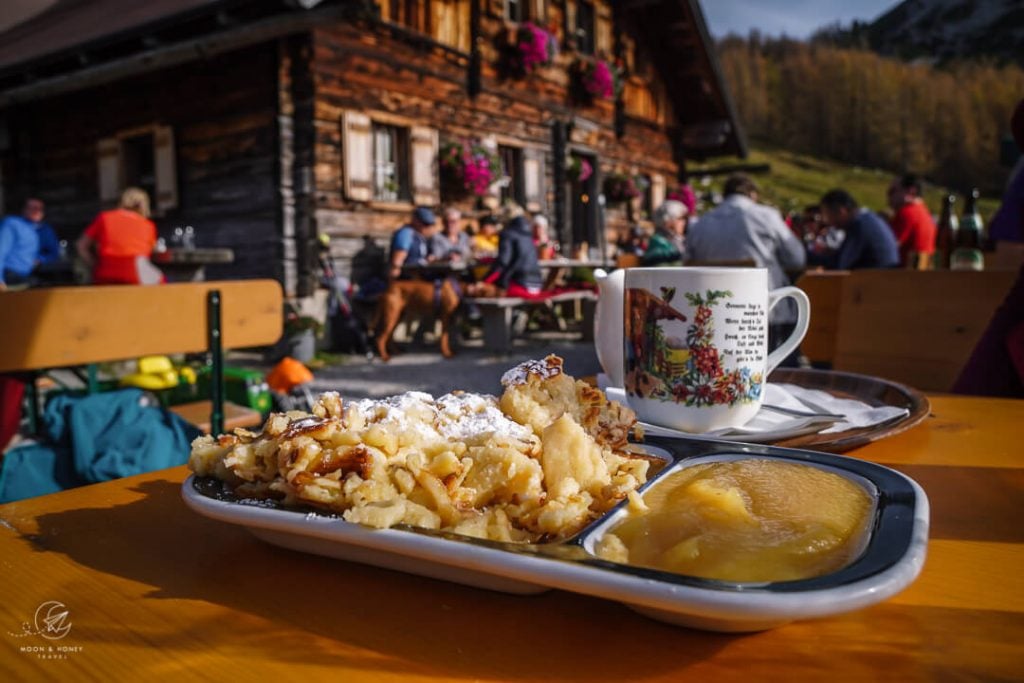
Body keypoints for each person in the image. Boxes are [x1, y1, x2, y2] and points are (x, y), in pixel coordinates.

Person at [684, 174, 807, 359]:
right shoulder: (766, 216)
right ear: (752, 194)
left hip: (711, 316)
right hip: (762, 314)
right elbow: (797, 259)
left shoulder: (700, 224)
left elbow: (686, 264)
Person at [76, 187, 159, 285]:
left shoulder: (104, 218)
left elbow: (81, 245)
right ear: (144, 205)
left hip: (105, 273)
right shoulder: (148, 225)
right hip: (135, 273)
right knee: (162, 281)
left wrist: (95, 265)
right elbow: (152, 251)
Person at [818, 189, 901, 270]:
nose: (827, 221)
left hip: (873, 280)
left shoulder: (860, 226)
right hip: (883, 277)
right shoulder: (866, 219)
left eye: (828, 215)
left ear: (841, 211)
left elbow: (843, 265)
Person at [474, 213, 544, 297]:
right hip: (537, 286)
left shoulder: (507, 234)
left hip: (519, 286)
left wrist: (485, 280)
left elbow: (503, 262)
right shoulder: (528, 236)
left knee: (476, 291)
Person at [887, 173, 937, 267]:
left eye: (892, 191)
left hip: (903, 276)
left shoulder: (907, 213)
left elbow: (886, 246)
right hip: (921, 275)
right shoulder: (925, 214)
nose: (888, 196)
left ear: (911, 191)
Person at [0, 198, 49, 290]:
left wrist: (41, 259)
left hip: (27, 273)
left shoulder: (41, 229)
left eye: (40, 209)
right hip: (10, 274)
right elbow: (1, 250)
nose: (37, 211)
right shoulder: (12, 224)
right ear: (24, 209)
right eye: (33, 208)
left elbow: (53, 251)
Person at [387, 206, 437, 280]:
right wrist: (394, 277)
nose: (426, 228)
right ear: (415, 221)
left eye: (429, 225)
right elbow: (397, 260)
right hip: (409, 276)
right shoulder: (406, 233)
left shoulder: (420, 236)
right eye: (424, 224)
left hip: (420, 273)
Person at [641, 200, 688, 266]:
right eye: (681, 218)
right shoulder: (658, 242)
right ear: (668, 221)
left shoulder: (678, 240)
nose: (684, 222)